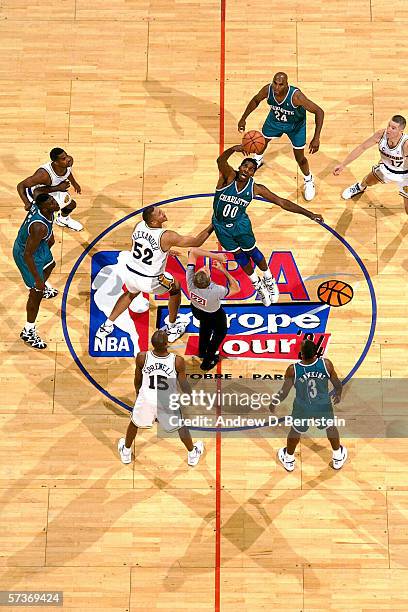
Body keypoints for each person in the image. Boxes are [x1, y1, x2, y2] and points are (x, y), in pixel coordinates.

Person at [213, 145, 324, 307]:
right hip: (221, 227)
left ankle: (269, 279)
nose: (247, 170)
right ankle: (257, 284)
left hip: (240, 226)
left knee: (253, 252)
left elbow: (282, 202)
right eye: (245, 166)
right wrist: (234, 149)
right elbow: (220, 160)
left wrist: (310, 214)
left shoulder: (256, 188)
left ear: (253, 173)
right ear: (240, 167)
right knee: (239, 257)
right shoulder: (228, 177)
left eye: (251, 169)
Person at [96, 205, 214, 343]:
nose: (163, 213)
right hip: (149, 280)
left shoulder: (139, 225)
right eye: (159, 214)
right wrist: (213, 224)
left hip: (131, 272)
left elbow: (137, 245)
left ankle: (107, 326)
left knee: (130, 294)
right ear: (152, 222)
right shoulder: (167, 236)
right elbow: (197, 242)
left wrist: (164, 250)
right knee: (175, 288)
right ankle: (171, 327)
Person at [118, 330, 204, 466]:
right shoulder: (177, 361)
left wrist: (138, 394)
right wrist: (190, 397)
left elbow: (138, 379)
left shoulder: (142, 357)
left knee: (134, 423)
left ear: (152, 344)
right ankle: (192, 454)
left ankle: (126, 451)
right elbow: (183, 384)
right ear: (166, 343)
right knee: (180, 426)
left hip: (147, 397)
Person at [238, 71, 324, 201]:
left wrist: (316, 137)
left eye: (281, 85)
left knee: (300, 158)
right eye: (275, 83)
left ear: (286, 85)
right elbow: (256, 100)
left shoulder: (296, 97)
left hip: (296, 126)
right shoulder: (268, 90)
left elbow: (319, 111)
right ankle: (258, 159)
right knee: (261, 141)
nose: (277, 87)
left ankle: (308, 179)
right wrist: (243, 118)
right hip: (275, 121)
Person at [275, 339, 347, 472]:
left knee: (295, 431)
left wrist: (274, 402)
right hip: (322, 405)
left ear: (301, 354)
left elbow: (284, 392)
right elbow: (337, 384)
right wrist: (338, 394)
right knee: (330, 427)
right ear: (316, 353)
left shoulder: (293, 369)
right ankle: (337, 457)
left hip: (303, 407)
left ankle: (289, 459)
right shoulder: (326, 364)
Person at [13, 194, 60, 349]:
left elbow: (38, 190)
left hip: (37, 246)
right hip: (26, 254)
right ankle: (28, 331)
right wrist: (38, 280)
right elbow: (27, 254)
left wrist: (57, 188)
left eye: (53, 200)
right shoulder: (39, 227)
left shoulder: (45, 209)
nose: (55, 203)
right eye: (52, 203)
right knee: (36, 293)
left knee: (50, 265)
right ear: (45, 208)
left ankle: (42, 285)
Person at [333, 115, 408, 213]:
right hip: (386, 168)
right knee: (368, 181)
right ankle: (359, 187)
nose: (389, 129)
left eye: (393, 128)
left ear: (401, 131)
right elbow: (362, 147)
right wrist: (343, 165)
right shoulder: (381, 135)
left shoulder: (405, 144)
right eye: (389, 125)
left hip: (404, 175)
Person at [186, 248, 239, 371]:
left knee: (204, 328)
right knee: (219, 334)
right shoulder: (216, 290)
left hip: (197, 310)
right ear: (209, 280)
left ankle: (202, 352)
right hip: (214, 314)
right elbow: (236, 288)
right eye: (206, 270)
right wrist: (223, 269)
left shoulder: (190, 282)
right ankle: (206, 362)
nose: (205, 267)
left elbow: (193, 251)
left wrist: (214, 256)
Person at [17, 147, 83, 231]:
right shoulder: (43, 175)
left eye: (66, 155)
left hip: (52, 189)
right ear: (56, 162)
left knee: (71, 204)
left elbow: (67, 172)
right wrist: (26, 203)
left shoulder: (68, 162)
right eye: (63, 158)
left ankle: (62, 219)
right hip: (37, 194)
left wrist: (74, 183)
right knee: (48, 214)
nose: (68, 159)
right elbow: (21, 186)